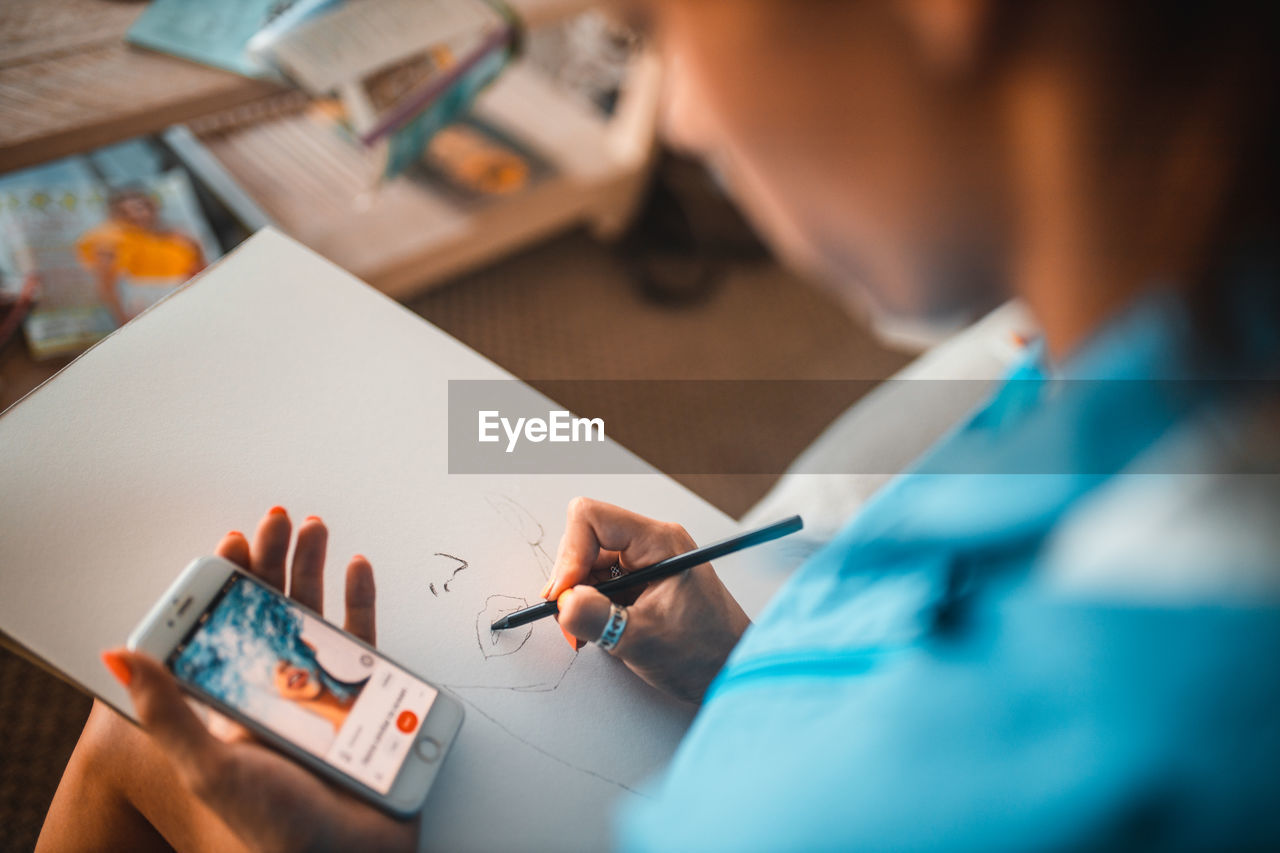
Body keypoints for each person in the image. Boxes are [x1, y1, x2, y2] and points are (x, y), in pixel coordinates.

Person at [38, 0, 1280, 850]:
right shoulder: (1150, 350)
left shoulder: (1026, 769)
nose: (678, 119)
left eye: (662, 28)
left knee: (126, 736)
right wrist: (737, 664)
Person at [76, 187, 206, 323]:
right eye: (123, 212)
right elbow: (107, 288)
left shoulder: (179, 237)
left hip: (188, 296)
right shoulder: (113, 242)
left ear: (151, 208)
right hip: (146, 304)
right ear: (115, 216)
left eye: (138, 209)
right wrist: (123, 321)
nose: (133, 216)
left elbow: (201, 269)